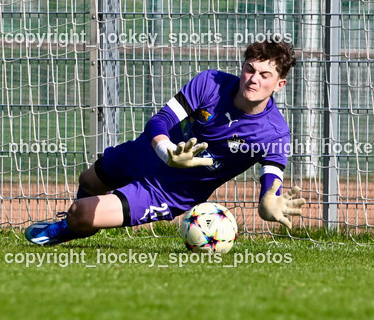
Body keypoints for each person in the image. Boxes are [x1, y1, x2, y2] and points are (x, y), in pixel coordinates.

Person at [24, 40, 306, 246]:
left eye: (264, 75)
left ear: (279, 84)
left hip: (166, 192)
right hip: (145, 153)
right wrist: (167, 151)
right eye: (249, 69)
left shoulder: (274, 133)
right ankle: (85, 219)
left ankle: (69, 227)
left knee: (79, 214)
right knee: (88, 179)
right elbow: (159, 121)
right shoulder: (210, 83)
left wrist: (269, 204)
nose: (253, 79)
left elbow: (271, 184)